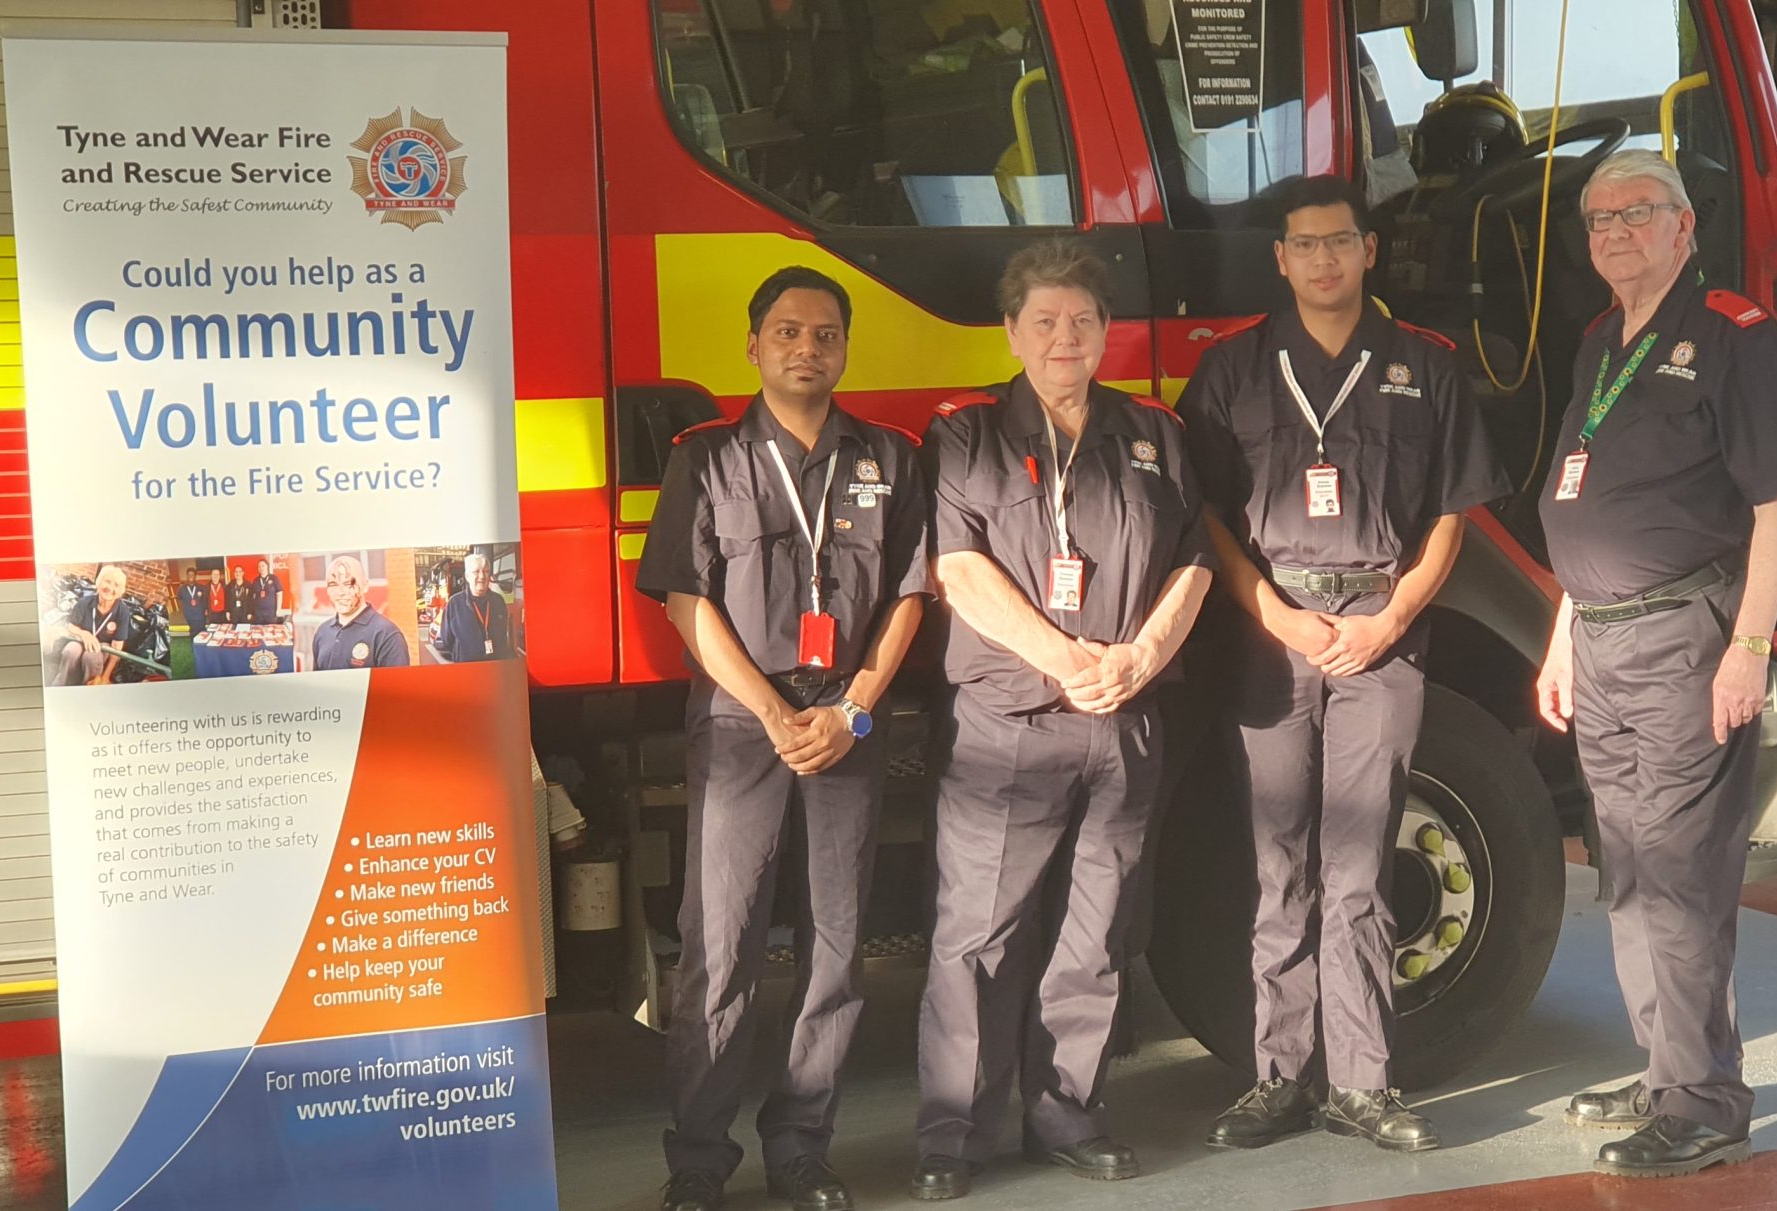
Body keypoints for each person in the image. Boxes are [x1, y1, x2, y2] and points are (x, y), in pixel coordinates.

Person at [1180, 174, 1507, 1155]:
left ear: (1369, 251)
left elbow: (1453, 511)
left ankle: (1362, 1083)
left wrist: (1391, 615)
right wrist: (1272, 609)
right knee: (1277, 863)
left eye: (1340, 242)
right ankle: (1278, 1075)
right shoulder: (1232, 369)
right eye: (1304, 245)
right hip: (1271, 633)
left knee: (1359, 867)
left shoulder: (1425, 367)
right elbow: (1202, 512)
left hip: (1380, 631)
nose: (1323, 259)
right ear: (1280, 260)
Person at [1534, 150, 1777, 1179]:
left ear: (1683, 228)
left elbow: (1776, 504)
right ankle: (1670, 1068)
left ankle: (1701, 1101)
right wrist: (1565, 630)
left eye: (1634, 214)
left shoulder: (1730, 338)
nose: (1612, 232)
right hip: (1603, 638)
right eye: (1596, 218)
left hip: (1685, 641)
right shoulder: (1598, 342)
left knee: (1681, 874)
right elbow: (1589, 503)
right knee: (1630, 871)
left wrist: (1748, 646)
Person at [913, 239, 1213, 1200]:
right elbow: (958, 570)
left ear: (1106, 332)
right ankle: (954, 1135)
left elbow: (1196, 561)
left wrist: (1136, 658)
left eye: (1082, 320)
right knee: (980, 936)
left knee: (1096, 930)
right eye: (1044, 320)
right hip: (1011, 720)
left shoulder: (1153, 434)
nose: (1064, 337)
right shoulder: (965, 436)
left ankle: (1067, 1115)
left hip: (1123, 720)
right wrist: (1069, 660)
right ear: (1011, 332)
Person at [636, 266, 931, 1211]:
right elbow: (689, 602)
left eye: (827, 334)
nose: (808, 348)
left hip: (846, 723)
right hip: (740, 723)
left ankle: (803, 1145)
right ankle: (698, 1162)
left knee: (836, 945)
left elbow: (910, 596)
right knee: (719, 947)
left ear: (846, 349)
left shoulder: (890, 457)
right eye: (789, 332)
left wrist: (851, 711)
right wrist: (773, 712)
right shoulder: (708, 458)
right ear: (754, 346)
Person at [310, 555, 413, 670]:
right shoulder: (322, 632)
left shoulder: (387, 634)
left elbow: (397, 686)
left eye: (348, 584)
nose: (340, 592)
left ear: (365, 586)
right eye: (333, 584)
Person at [50, 565, 138, 686]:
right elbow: (71, 626)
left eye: (116, 585)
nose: (110, 588)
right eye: (107, 581)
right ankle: (62, 686)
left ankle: (89, 690)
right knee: (71, 650)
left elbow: (117, 646)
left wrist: (105, 677)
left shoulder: (122, 612)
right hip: (81, 640)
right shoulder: (84, 602)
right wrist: (84, 634)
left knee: (92, 656)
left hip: (103, 647)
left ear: (121, 591)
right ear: (99, 582)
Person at [435, 551, 516, 661]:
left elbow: (504, 639)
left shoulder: (498, 602)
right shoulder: (454, 604)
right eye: (476, 572)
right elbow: (446, 642)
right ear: (468, 576)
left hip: (494, 671)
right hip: (467, 672)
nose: (482, 576)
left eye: (486, 571)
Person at [175, 570, 213, 636]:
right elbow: (179, 599)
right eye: (189, 574)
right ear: (187, 576)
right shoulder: (182, 589)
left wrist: (206, 609)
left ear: (195, 576)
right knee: (193, 631)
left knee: (202, 631)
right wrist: (184, 609)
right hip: (189, 615)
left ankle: (201, 645)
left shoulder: (201, 587)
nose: (191, 576)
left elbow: (205, 599)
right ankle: (194, 645)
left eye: (192, 575)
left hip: (200, 614)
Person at [251, 558, 284, 626]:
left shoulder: (274, 578)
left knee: (270, 632)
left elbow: (279, 594)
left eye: (263, 566)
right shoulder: (255, 580)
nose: (261, 568)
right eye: (259, 566)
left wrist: (278, 610)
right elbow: (253, 597)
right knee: (258, 632)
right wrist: (252, 611)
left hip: (271, 613)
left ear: (267, 567)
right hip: (258, 614)